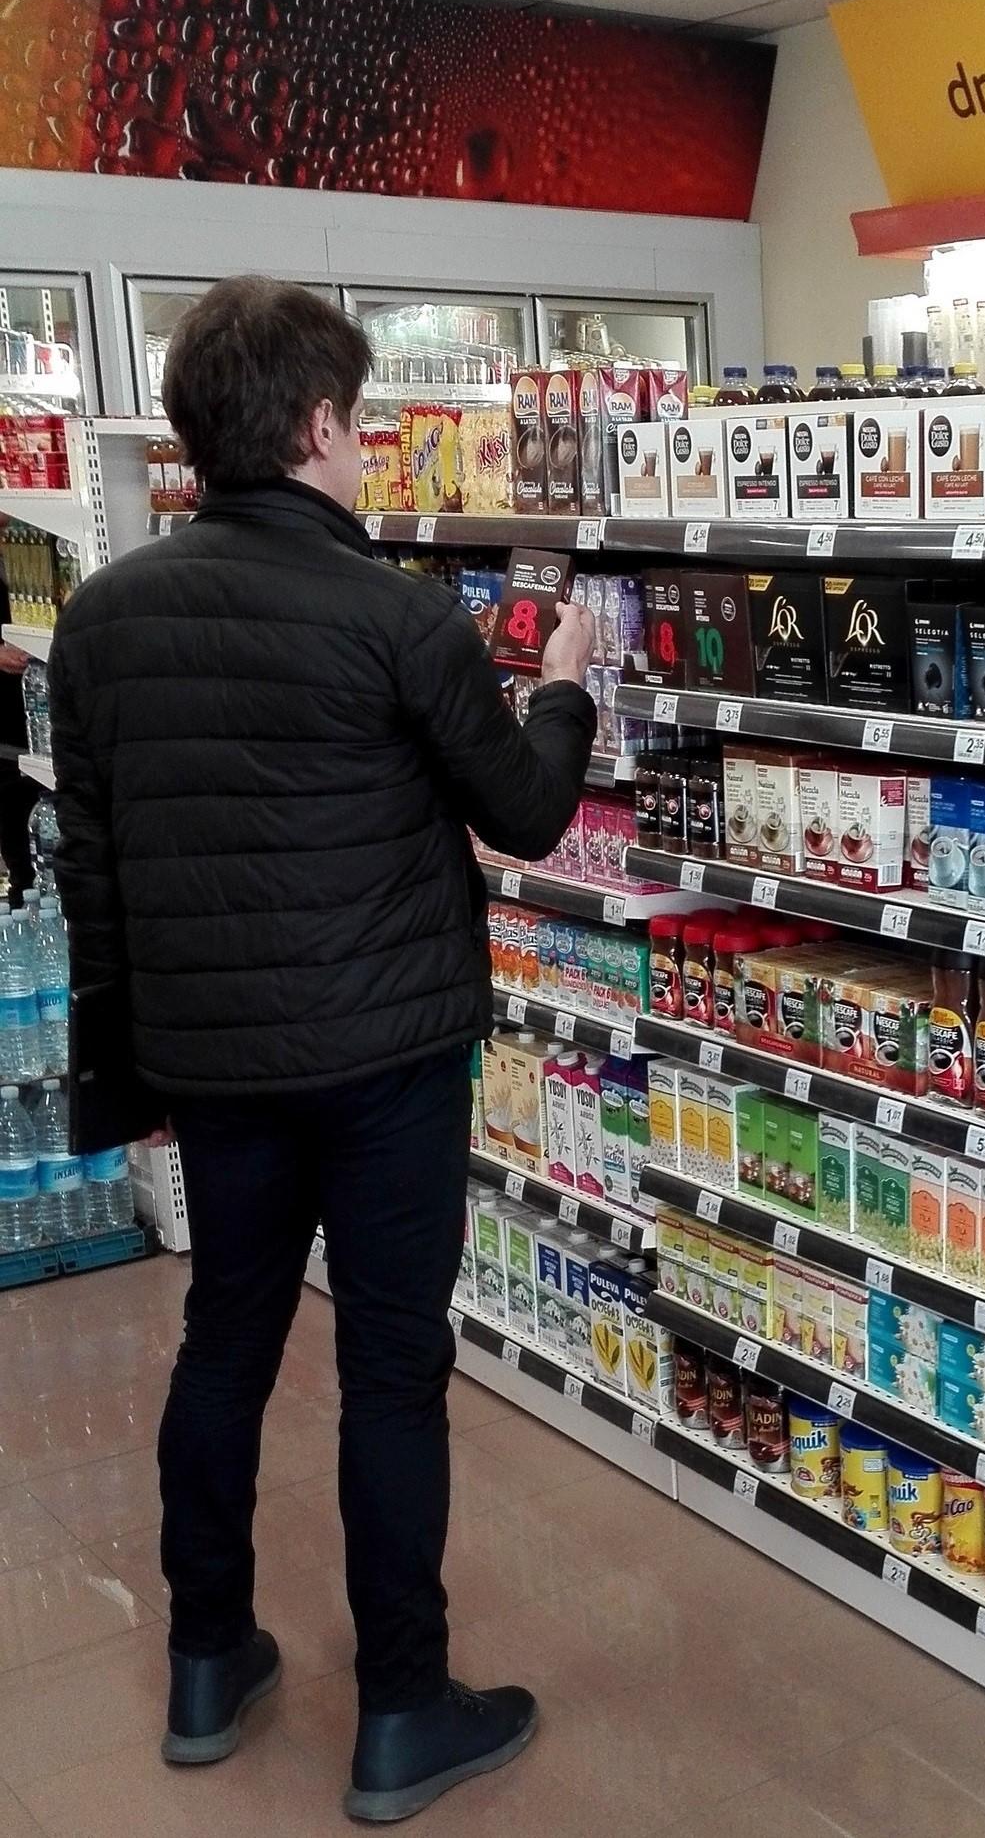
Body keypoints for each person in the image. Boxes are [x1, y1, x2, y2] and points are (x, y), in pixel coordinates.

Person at [47, 276, 597, 1822]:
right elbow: (525, 812)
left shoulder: (103, 617)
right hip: (388, 1061)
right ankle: (403, 1711)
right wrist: (559, 691)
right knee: (388, 1373)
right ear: (310, 428)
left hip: (216, 1064)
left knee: (224, 1340)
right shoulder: (398, 614)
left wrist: (127, 1075)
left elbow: (96, 871)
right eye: (355, 425)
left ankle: (209, 1660)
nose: (364, 453)